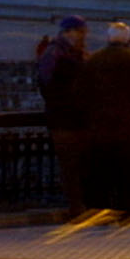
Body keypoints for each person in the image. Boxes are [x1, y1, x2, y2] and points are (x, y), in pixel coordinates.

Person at [79, 22, 130, 214]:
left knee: (100, 172)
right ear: (127, 39)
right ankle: (127, 208)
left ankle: (99, 208)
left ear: (108, 37)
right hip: (129, 126)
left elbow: (81, 92)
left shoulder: (94, 60)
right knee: (127, 172)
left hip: (99, 126)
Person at [36, 16, 91, 216]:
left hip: (71, 117)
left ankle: (80, 204)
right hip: (65, 118)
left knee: (76, 164)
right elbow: (49, 85)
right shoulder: (56, 54)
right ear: (68, 32)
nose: (84, 36)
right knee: (70, 165)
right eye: (81, 32)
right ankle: (77, 206)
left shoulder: (65, 53)